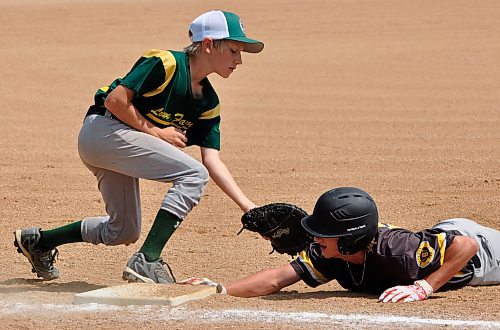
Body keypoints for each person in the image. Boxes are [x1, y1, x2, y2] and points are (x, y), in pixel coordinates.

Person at [14, 10, 264, 284]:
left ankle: (39, 241)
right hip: (102, 131)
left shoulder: (208, 103)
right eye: (232, 50)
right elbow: (115, 101)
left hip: (118, 145)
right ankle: (148, 258)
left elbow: (212, 160)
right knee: (192, 175)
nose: (239, 60)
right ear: (207, 45)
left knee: (122, 230)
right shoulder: (166, 63)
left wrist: (248, 207)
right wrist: (156, 132)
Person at [205, 187, 500, 302]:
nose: (314, 238)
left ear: (349, 238)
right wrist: (219, 290)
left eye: (323, 233)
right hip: (440, 236)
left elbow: (466, 246)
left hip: (485, 256)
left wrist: (424, 287)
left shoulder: (399, 252)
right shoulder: (330, 255)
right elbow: (278, 278)